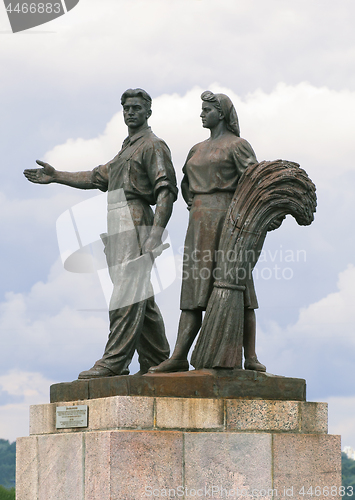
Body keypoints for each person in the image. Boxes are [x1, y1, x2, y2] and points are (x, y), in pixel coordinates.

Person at [24, 88, 178, 378]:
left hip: (135, 218)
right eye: (126, 108)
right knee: (139, 297)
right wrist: (57, 176)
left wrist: (155, 234)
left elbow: (166, 192)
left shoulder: (153, 145)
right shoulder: (125, 150)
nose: (130, 112)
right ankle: (159, 361)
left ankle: (114, 361)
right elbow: (96, 178)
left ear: (148, 112)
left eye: (136, 107)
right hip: (117, 220)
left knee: (125, 294)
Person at [149, 90, 266, 373]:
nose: (201, 114)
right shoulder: (196, 148)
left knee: (239, 287)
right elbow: (187, 186)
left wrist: (241, 217)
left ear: (221, 113)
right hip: (199, 221)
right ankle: (178, 355)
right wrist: (198, 205)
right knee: (194, 290)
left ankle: (249, 356)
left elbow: (253, 181)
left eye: (206, 110)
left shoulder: (238, 145)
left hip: (229, 220)